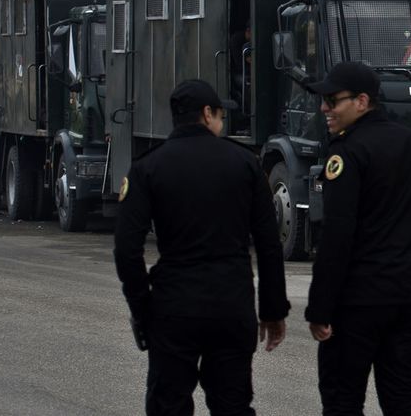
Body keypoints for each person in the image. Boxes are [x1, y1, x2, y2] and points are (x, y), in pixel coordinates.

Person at [113, 79, 289, 416]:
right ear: (207, 114)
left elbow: (126, 249)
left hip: (174, 306)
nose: (222, 123)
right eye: (221, 116)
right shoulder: (245, 163)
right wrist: (272, 310)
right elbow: (269, 243)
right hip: (231, 305)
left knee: (168, 405)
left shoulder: (148, 167)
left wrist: (143, 308)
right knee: (233, 406)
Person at [306, 60, 411, 416]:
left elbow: (337, 235)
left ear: (362, 101)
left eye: (332, 100)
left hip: (360, 300)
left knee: (342, 401)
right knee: (406, 398)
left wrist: (320, 307)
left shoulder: (346, 152)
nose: (324, 109)